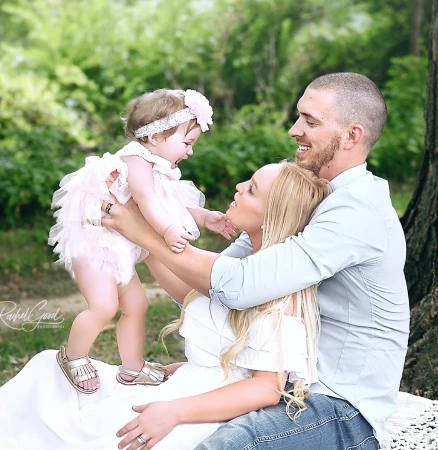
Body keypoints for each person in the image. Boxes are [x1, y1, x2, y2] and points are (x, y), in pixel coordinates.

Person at [101, 72, 410, 449]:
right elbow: (210, 284)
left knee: (223, 444)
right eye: (298, 117)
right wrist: (143, 229)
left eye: (310, 121)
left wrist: (143, 233)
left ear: (351, 136)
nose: (294, 130)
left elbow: (238, 286)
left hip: (335, 403)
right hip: (282, 385)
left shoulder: (356, 210)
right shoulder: (296, 198)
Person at [0, 162, 329, 450]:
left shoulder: (280, 286)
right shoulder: (244, 265)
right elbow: (193, 295)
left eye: (252, 189)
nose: (239, 187)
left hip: (195, 409)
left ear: (272, 216)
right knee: (48, 371)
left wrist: (175, 410)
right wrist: (137, 222)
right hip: (188, 386)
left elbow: (266, 387)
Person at [47, 88, 233, 394]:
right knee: (104, 306)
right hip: (94, 243)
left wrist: (203, 216)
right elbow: (146, 199)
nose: (190, 152)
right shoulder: (135, 159)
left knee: (137, 304)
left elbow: (165, 201)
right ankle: (72, 355)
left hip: (116, 246)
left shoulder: (155, 165)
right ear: (157, 137)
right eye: (187, 143)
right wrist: (169, 229)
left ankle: (132, 368)